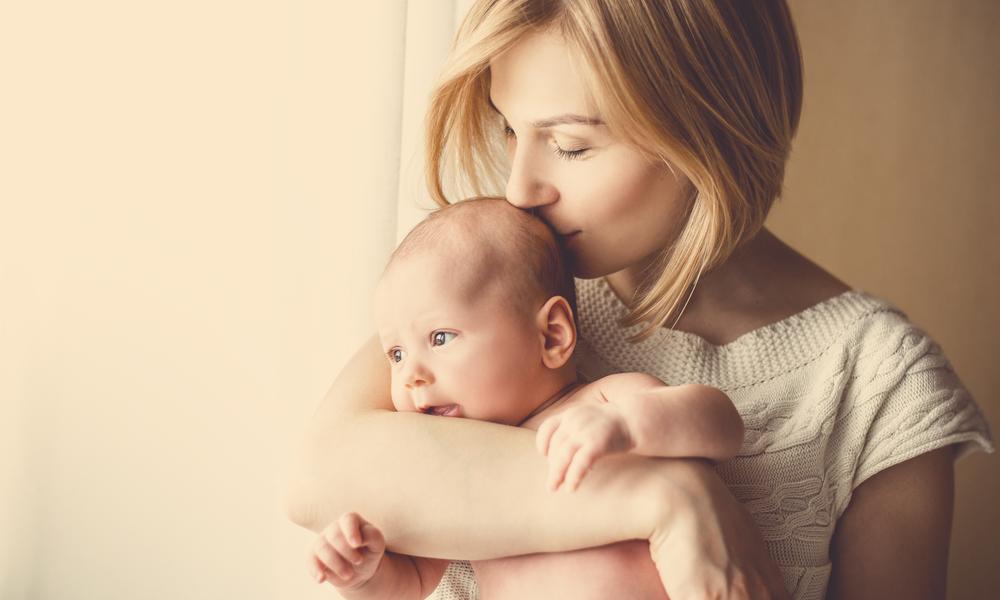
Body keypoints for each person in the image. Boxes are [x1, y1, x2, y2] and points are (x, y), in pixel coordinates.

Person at [284, 2, 995, 599]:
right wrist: (674, 501)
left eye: (569, 144)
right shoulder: (490, 293)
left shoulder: (877, 380)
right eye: (510, 129)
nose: (521, 189)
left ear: (706, 128)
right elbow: (319, 480)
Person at [308, 197, 746, 599]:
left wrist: (629, 426)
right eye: (396, 354)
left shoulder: (602, 405)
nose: (411, 377)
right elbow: (414, 584)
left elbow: (723, 426)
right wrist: (364, 573)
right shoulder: (456, 476)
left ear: (552, 335)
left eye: (440, 337)